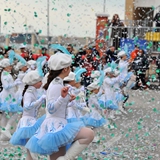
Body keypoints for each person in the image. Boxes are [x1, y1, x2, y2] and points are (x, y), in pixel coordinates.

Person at [25, 52, 94, 160]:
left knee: (57, 157)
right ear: (65, 69)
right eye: (70, 66)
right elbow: (51, 108)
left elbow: (58, 104)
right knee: (88, 134)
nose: (71, 68)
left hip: (58, 124)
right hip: (56, 125)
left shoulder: (58, 82)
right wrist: (62, 98)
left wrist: (67, 99)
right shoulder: (56, 85)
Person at [10, 70, 46, 160]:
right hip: (28, 122)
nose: (41, 83)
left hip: (31, 120)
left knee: (30, 150)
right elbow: (27, 106)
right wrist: (40, 99)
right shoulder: (29, 93)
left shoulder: (33, 91)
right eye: (39, 81)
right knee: (31, 148)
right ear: (34, 82)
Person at [0, 58, 23, 141]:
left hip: (10, 96)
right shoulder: (5, 74)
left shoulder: (6, 73)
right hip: (7, 96)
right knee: (8, 114)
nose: (11, 67)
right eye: (9, 65)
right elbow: (6, 86)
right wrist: (15, 83)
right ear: (5, 66)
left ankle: (5, 131)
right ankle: (5, 130)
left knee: (8, 114)